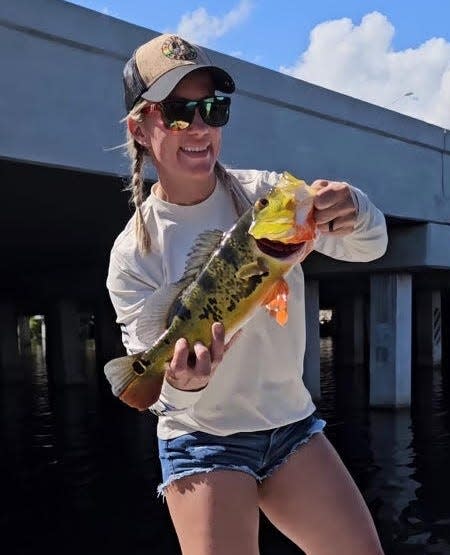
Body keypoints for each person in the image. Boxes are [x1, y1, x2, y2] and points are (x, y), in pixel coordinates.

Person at [107, 33, 388, 555]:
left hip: (291, 426)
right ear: (140, 128)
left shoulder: (267, 196)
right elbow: (160, 391)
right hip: (201, 440)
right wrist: (185, 383)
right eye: (176, 111)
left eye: (213, 109)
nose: (199, 127)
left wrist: (357, 208)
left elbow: (368, 248)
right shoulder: (133, 254)